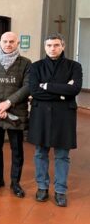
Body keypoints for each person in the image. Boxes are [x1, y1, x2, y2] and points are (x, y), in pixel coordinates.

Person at [28, 34, 82, 207]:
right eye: (49, 45)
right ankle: (42, 187)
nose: (53, 48)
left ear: (63, 46)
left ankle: (60, 191)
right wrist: (61, 92)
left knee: (62, 155)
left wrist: (47, 86)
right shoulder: (36, 66)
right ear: (45, 47)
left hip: (64, 116)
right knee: (40, 153)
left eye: (56, 45)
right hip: (41, 114)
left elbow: (75, 89)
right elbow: (34, 91)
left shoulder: (74, 66)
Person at [0, 32, 31, 198]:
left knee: (17, 150)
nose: (8, 44)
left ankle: (15, 182)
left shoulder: (26, 63)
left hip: (15, 113)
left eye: (12, 41)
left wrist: (8, 103)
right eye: (5, 41)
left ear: (17, 43)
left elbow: (27, 87)